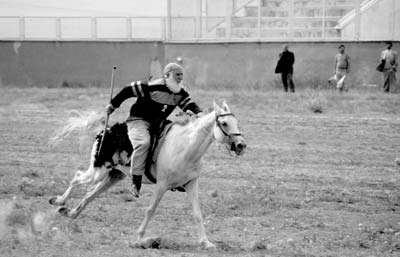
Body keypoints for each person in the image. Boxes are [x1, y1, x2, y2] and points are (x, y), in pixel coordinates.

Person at [105, 62, 202, 198]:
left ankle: (178, 179)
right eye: (177, 74)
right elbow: (127, 90)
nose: (180, 78)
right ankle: (136, 180)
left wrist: (199, 113)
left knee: (176, 141)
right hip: (138, 120)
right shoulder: (151, 86)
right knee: (143, 143)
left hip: (159, 123)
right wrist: (113, 105)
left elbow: (188, 104)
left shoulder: (180, 91)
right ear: (167, 75)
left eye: (181, 75)